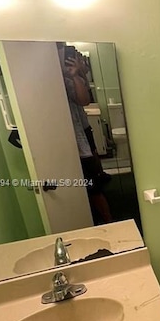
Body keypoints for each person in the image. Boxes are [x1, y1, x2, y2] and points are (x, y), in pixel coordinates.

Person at [59, 44, 113, 224]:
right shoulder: (54, 82)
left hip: (81, 130)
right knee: (88, 185)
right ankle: (101, 216)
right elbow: (85, 100)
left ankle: (106, 218)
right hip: (69, 136)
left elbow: (84, 99)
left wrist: (78, 74)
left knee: (93, 180)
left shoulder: (67, 80)